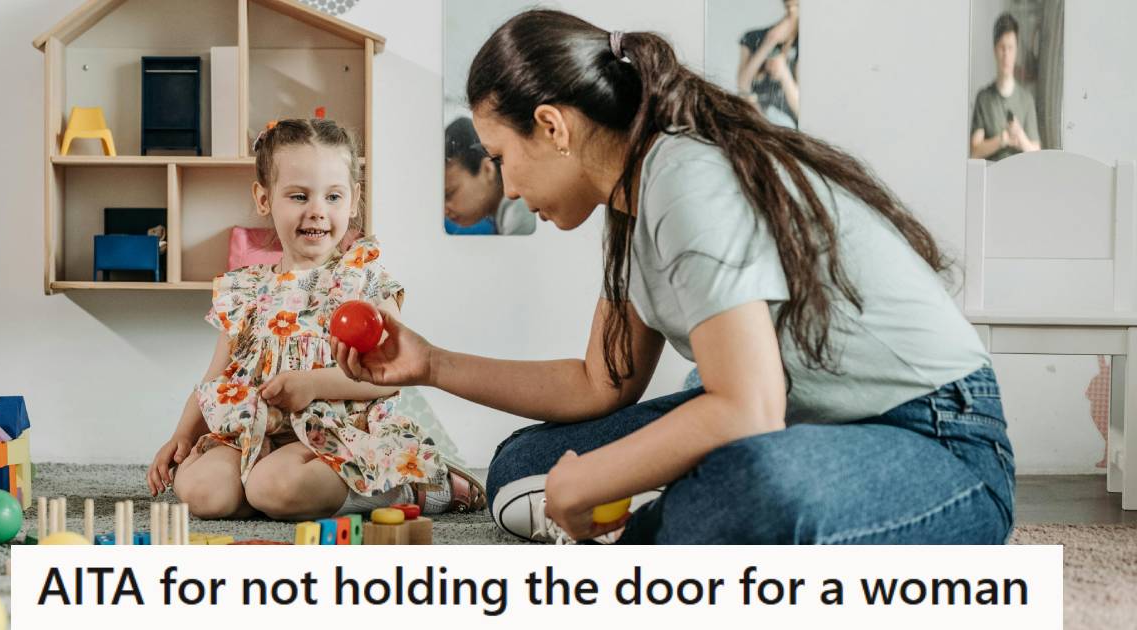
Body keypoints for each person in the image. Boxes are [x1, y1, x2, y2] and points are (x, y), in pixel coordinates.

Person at [334, 9, 1014, 544]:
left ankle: (668, 525)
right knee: (522, 466)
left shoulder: (685, 178)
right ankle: (682, 510)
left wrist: (596, 480)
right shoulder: (630, 204)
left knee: (748, 486)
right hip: (806, 423)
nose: (506, 187)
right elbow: (599, 382)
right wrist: (429, 363)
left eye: (502, 156)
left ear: (552, 126)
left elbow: (748, 408)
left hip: (938, 438)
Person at [146, 118, 485, 520]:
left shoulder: (364, 279)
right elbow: (215, 381)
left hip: (337, 435)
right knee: (202, 493)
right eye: (299, 196)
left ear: (354, 199)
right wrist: (182, 435)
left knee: (275, 487)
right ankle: (267, 491)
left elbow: (392, 377)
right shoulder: (243, 290)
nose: (317, 211)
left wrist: (312, 384)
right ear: (263, 198)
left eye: (333, 197)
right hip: (254, 433)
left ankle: (407, 485)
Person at [445, 117, 536, 235]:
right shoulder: (505, 215)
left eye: (449, 194)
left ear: (488, 170)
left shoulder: (520, 213)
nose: (444, 210)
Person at [971, 12, 1041, 161]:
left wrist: (1020, 136)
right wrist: (1002, 139)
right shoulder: (983, 98)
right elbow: (975, 151)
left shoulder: (1026, 100)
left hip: (1020, 178)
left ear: (1016, 51)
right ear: (995, 49)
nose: (1006, 54)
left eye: (1011, 48)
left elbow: (1037, 154)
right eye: (1002, 47)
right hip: (990, 179)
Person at [736, 0, 800, 127]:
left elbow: (800, 110)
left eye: (797, 6)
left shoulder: (804, 44)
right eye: (790, 7)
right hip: (758, 122)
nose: (792, 10)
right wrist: (769, 42)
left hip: (789, 128)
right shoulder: (753, 37)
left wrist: (783, 74)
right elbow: (742, 84)